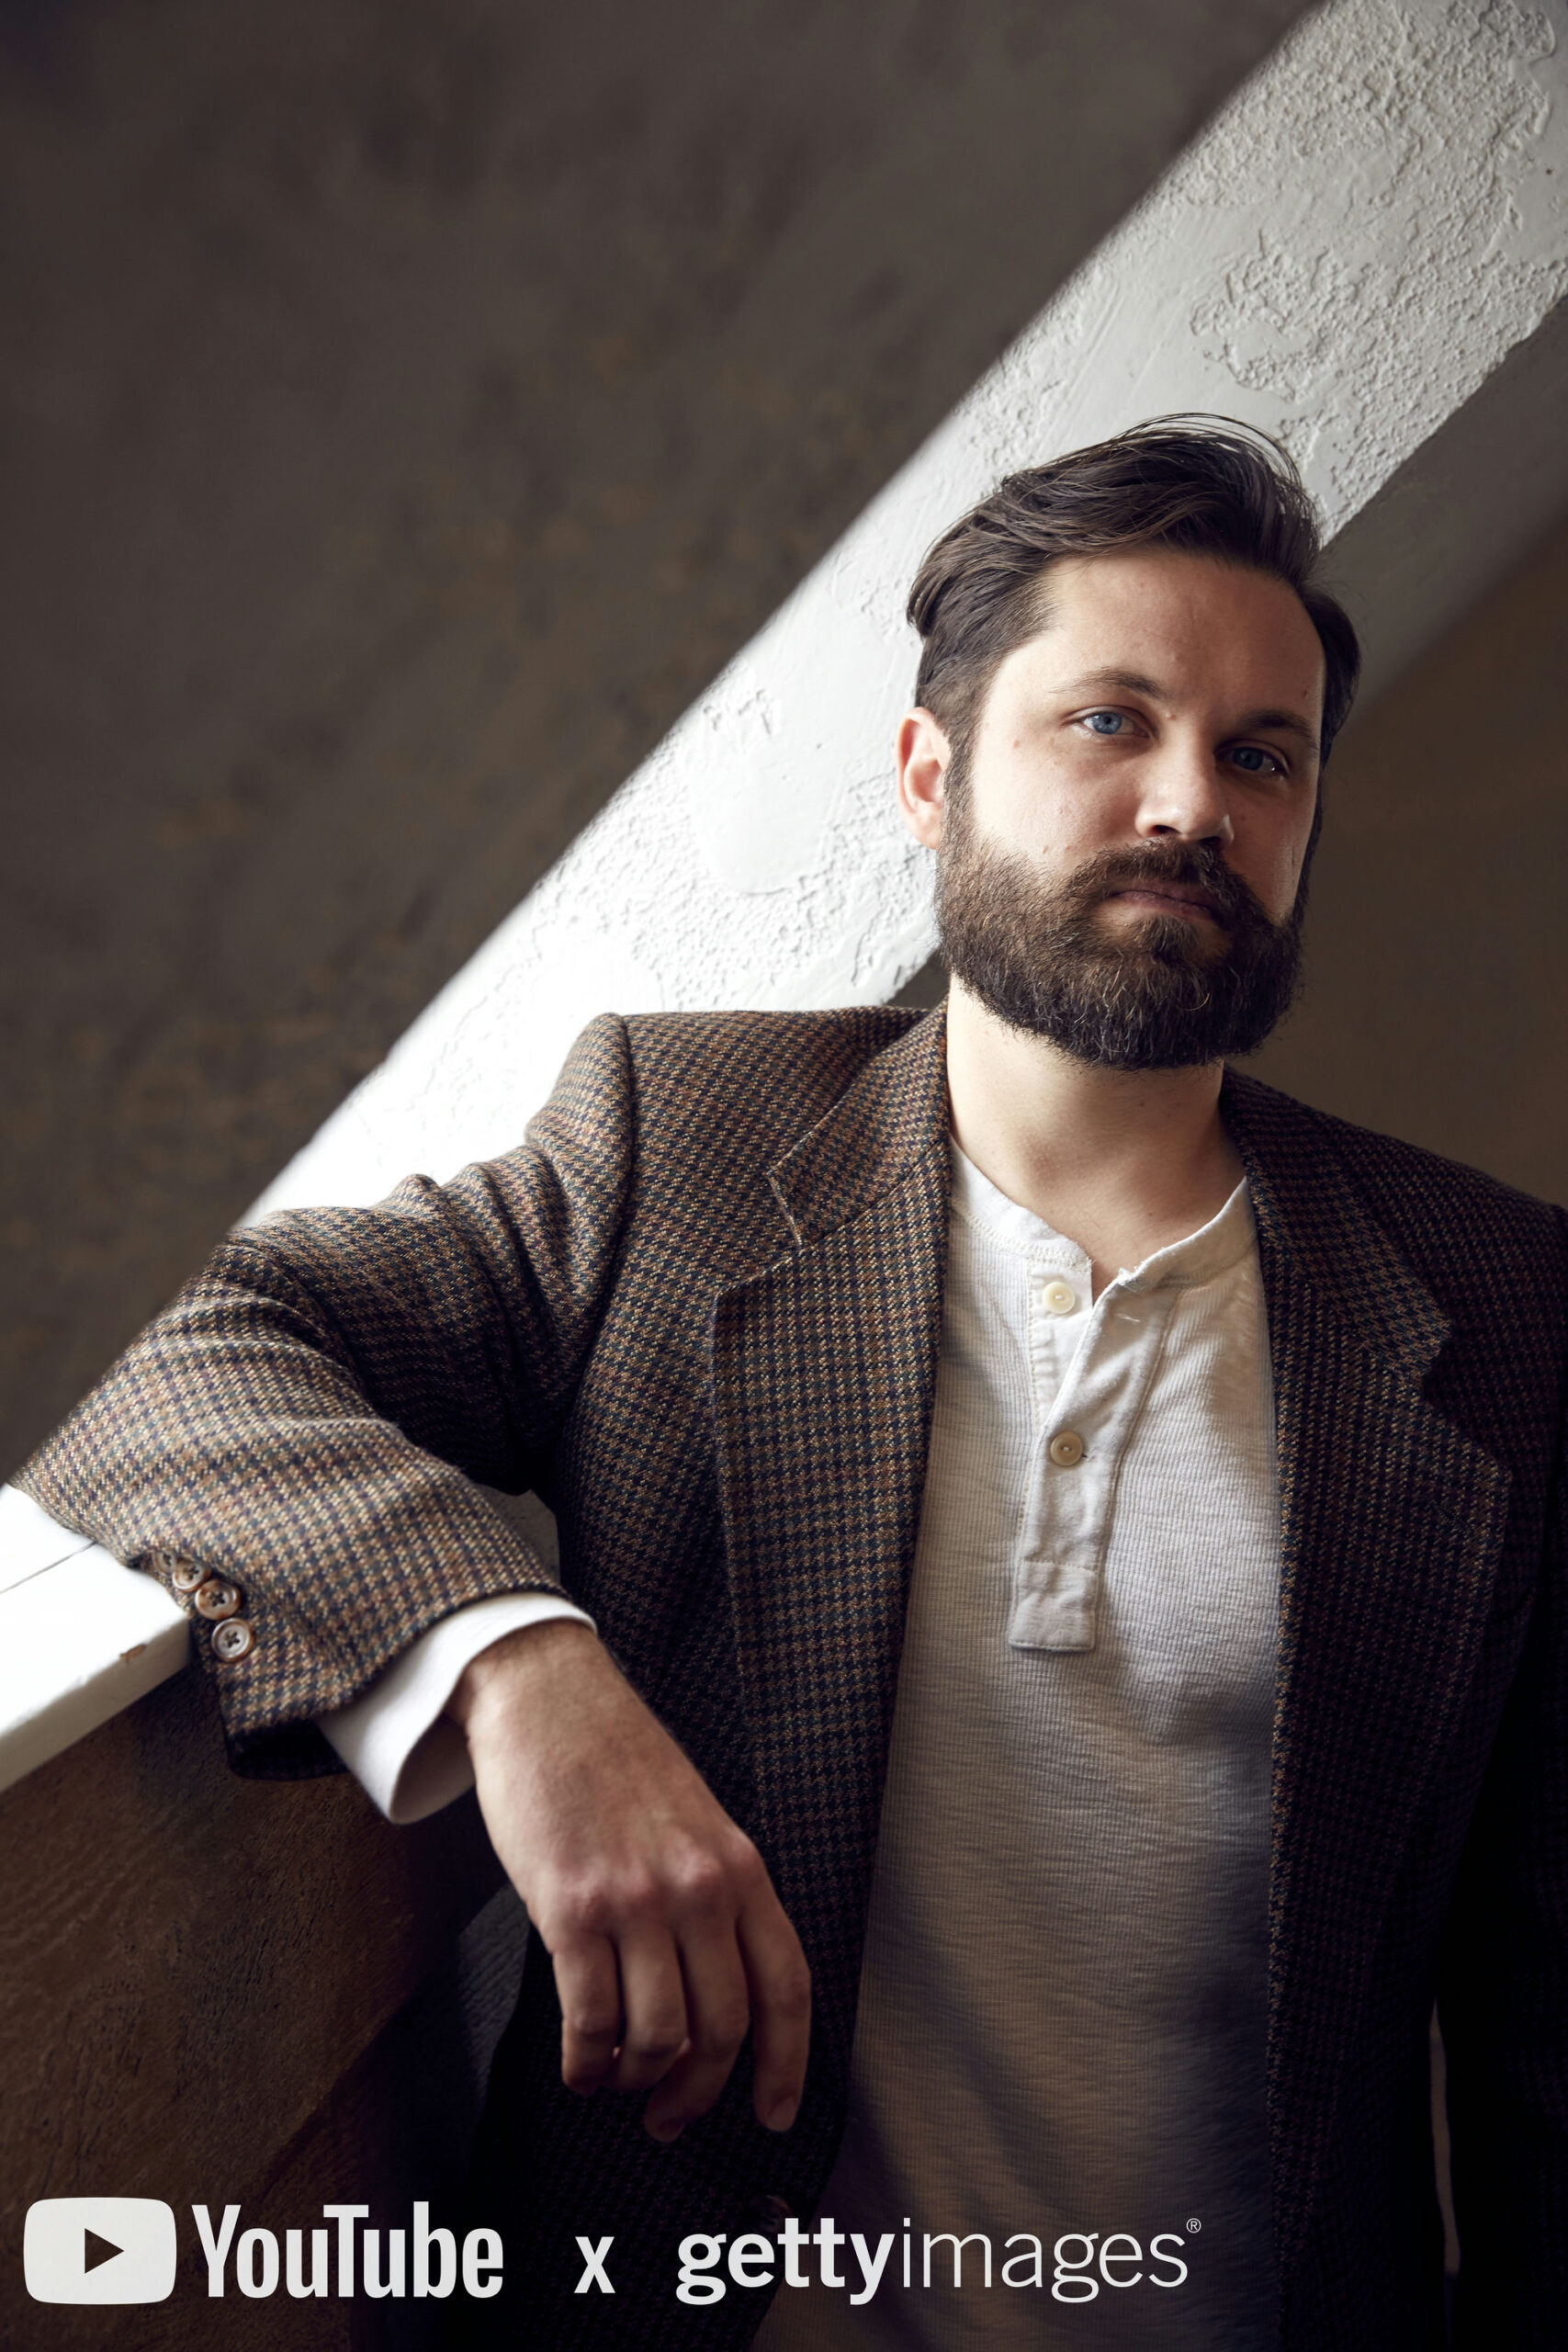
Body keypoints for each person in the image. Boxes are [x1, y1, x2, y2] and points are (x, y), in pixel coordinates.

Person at [18, 421, 1567, 2351]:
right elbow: (154, 1342)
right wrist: (517, 1662)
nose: (1195, 799)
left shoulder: (1502, 1308)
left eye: (1262, 750)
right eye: (1109, 720)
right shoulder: (677, 1146)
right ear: (929, 777)